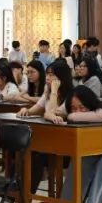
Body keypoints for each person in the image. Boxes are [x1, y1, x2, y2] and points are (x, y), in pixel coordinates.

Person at [18, 60, 74, 194]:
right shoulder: (47, 91)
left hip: (66, 146)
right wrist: (26, 110)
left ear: (61, 77)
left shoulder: (71, 96)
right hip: (50, 142)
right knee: (26, 151)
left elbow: (52, 113)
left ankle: (24, 196)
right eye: (47, 74)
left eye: (51, 75)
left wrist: (54, 91)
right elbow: (36, 109)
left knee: (36, 156)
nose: (48, 78)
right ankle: (19, 194)